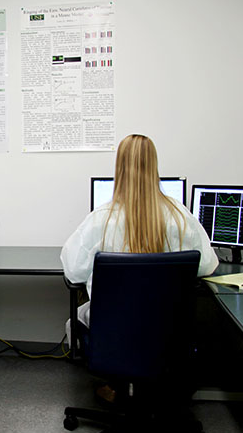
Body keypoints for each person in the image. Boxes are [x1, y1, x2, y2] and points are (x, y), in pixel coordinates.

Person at [61, 134, 218, 341]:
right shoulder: (181, 217)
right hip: (167, 334)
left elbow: (74, 273)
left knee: (76, 320)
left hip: (114, 333)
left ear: (120, 167)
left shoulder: (100, 220)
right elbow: (207, 265)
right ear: (154, 165)